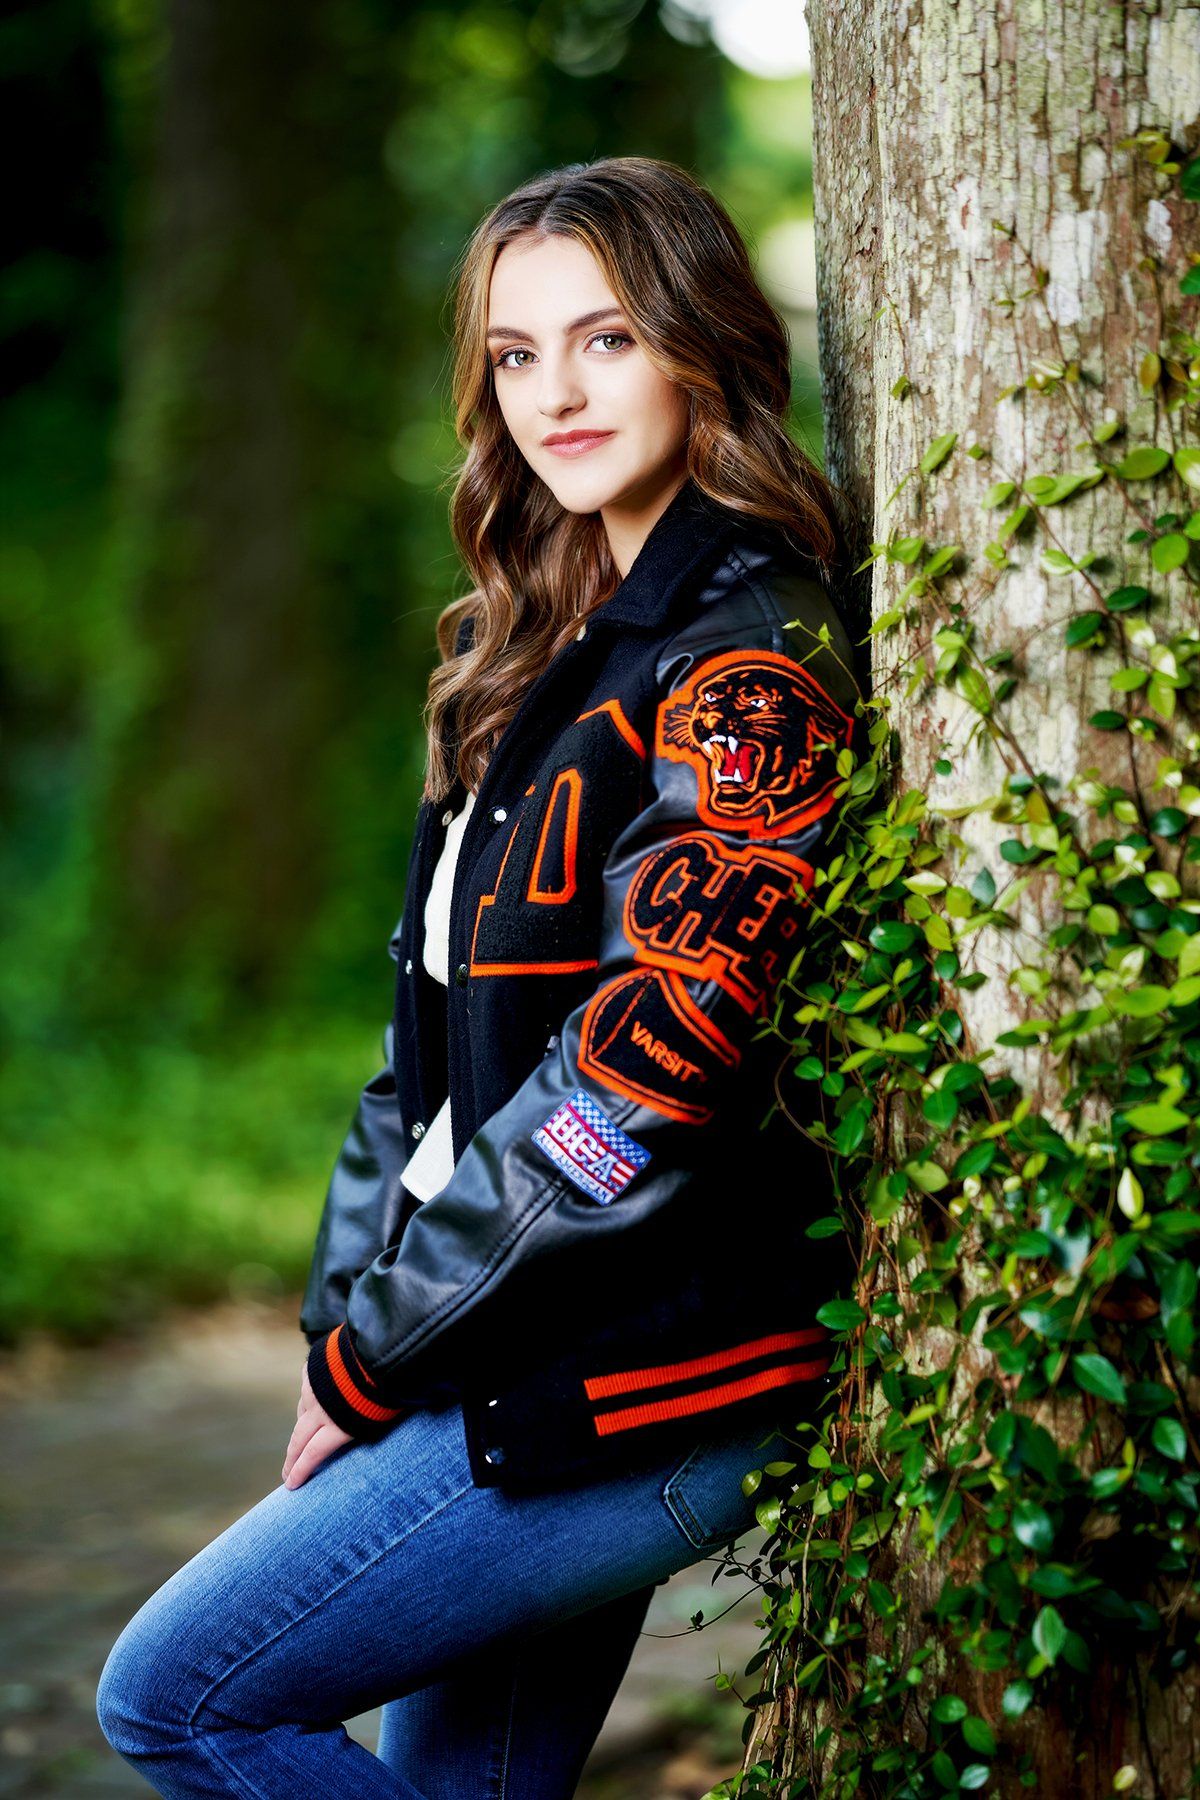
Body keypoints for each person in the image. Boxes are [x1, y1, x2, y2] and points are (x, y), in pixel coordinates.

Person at [96, 154, 865, 1798]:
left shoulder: (744, 653)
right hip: (494, 1341)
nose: (555, 395)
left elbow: (643, 1069)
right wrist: (346, 1325)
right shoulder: (529, 646)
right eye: (517, 355)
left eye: (605, 339)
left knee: (176, 1697)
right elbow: (420, 1061)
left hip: (636, 1372)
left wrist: (380, 1353)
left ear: (700, 342)